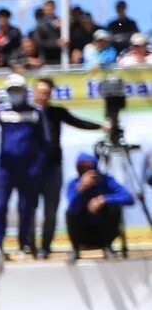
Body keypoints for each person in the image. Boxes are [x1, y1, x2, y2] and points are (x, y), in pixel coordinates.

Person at [0, 76, 48, 257]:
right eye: (11, 91)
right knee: (0, 206)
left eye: (18, 91)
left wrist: (38, 167)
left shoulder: (35, 113)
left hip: (28, 170)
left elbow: (44, 142)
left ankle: (24, 244)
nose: (15, 95)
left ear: (25, 92)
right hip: (6, 169)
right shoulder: (2, 112)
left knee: (25, 208)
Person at [30, 77, 103, 258]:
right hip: (30, 169)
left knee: (51, 210)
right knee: (29, 209)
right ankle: (29, 246)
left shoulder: (57, 112)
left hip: (53, 168)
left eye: (47, 93)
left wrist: (100, 126)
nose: (43, 96)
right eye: (40, 92)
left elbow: (78, 122)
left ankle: (45, 247)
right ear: (34, 93)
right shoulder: (27, 113)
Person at [65, 152, 132, 259]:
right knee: (70, 212)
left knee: (114, 207)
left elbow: (128, 198)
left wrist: (103, 199)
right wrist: (81, 189)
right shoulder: (73, 184)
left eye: (88, 167)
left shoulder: (106, 180)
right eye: (82, 167)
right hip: (83, 235)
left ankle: (107, 247)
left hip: (103, 232)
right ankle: (75, 248)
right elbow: (72, 208)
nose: (85, 171)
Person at [32, 1, 63, 66]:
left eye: (51, 7)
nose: (49, 9)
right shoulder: (40, 24)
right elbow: (38, 41)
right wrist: (55, 43)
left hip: (61, 56)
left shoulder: (61, 21)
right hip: (47, 58)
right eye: (47, 7)